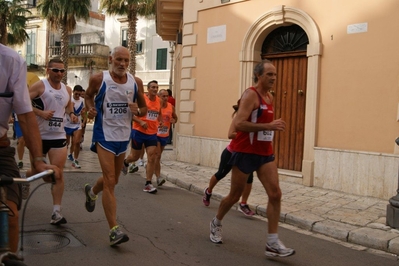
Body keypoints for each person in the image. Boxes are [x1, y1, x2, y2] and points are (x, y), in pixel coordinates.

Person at [209, 60, 295, 257]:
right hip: (245, 152)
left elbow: (265, 124)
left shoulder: (270, 97)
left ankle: (272, 242)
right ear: (259, 76)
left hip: (265, 153)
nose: (273, 78)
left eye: (275, 74)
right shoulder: (250, 95)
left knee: (275, 194)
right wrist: (269, 126)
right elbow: (238, 124)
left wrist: (270, 128)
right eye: (269, 75)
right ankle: (217, 221)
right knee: (235, 196)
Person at [83, 46, 147, 247]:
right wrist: (90, 109)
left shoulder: (135, 82)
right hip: (104, 135)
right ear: (111, 59)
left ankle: (92, 192)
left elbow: (144, 109)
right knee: (110, 180)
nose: (123, 64)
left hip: (123, 136)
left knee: (114, 179)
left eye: (126, 61)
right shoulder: (99, 79)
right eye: (119, 60)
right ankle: (114, 229)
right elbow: (87, 96)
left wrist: (138, 110)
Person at [0, 43, 59, 257]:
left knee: (10, 215)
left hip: (1, 148)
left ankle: (8, 257)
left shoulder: (11, 60)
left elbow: (24, 114)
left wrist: (38, 160)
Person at [28, 58, 78, 225]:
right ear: (48, 70)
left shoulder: (67, 89)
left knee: (58, 173)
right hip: (39, 136)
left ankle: (56, 212)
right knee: (39, 173)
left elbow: (68, 105)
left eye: (62, 71)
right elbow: (23, 102)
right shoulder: (40, 86)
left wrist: (71, 114)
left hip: (58, 136)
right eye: (56, 70)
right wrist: (40, 113)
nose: (59, 74)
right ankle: (26, 176)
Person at [203, 105, 255, 217]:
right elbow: (230, 134)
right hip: (231, 152)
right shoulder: (238, 119)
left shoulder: (255, 120)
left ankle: (243, 204)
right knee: (221, 174)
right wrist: (243, 135)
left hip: (245, 154)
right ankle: (208, 191)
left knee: (249, 179)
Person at [123, 80, 161, 194]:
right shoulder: (142, 99)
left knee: (152, 157)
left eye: (156, 87)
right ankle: (125, 162)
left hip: (152, 133)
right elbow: (130, 114)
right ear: (148, 89)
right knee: (134, 156)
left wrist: (161, 122)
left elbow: (158, 114)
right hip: (138, 131)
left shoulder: (158, 101)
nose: (155, 89)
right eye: (153, 87)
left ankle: (148, 183)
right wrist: (140, 121)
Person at [154, 89, 178, 186]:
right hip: (155, 134)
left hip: (165, 134)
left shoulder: (171, 107)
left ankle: (151, 167)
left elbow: (175, 118)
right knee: (158, 155)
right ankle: (158, 177)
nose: (165, 98)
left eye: (166, 96)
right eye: (163, 96)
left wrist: (173, 120)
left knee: (157, 157)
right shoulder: (155, 107)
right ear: (159, 97)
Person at [65, 85, 84, 168]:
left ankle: (75, 160)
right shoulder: (69, 100)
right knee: (66, 143)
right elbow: (66, 109)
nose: (77, 96)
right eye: (76, 94)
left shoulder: (82, 101)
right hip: (67, 124)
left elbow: (84, 111)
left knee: (76, 142)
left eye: (79, 94)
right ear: (73, 92)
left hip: (77, 124)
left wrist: (84, 121)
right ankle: (63, 157)